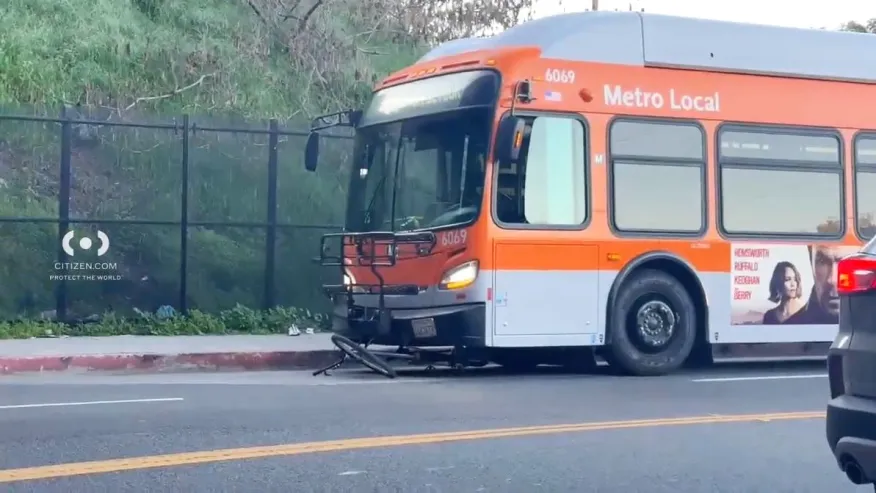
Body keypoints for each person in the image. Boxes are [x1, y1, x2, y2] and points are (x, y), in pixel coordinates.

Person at [783, 244, 856, 325]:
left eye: (847, 261)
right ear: (811, 260)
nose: (832, 280)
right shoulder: (787, 331)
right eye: (822, 262)